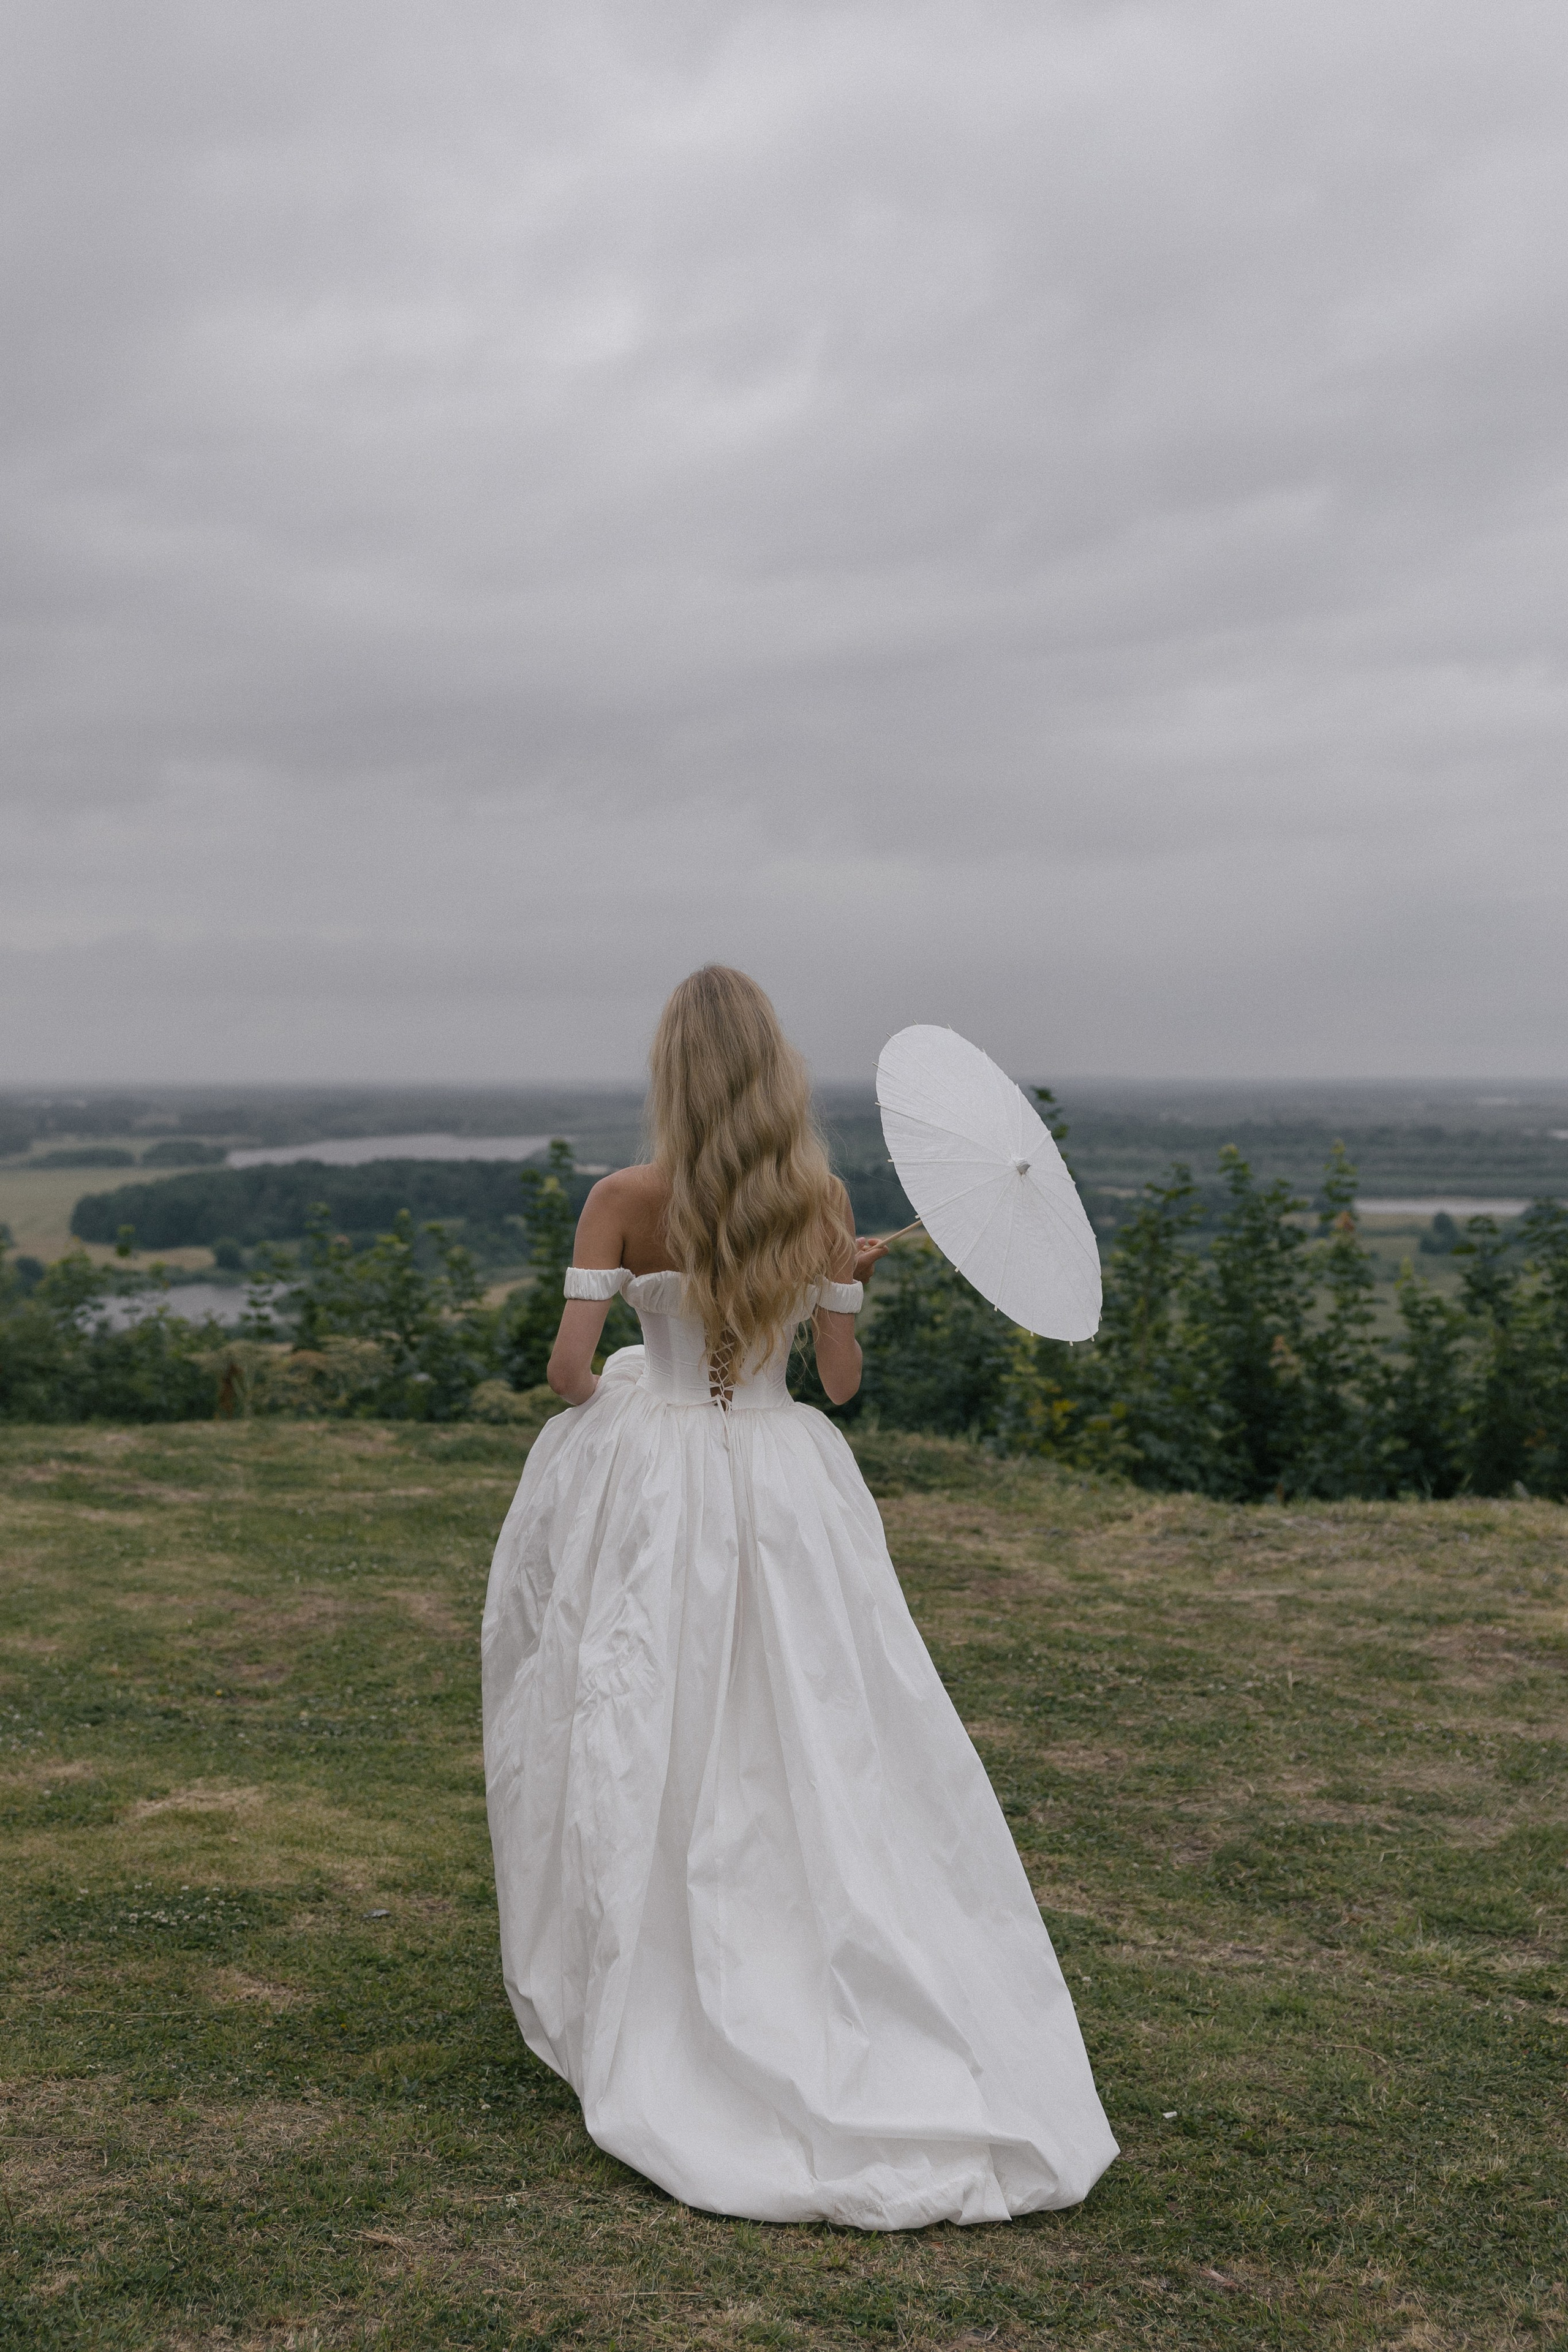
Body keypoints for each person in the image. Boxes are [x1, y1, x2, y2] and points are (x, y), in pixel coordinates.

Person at [481, 967, 1117, 2229]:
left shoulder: (621, 1200)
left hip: (656, 1474)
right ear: (774, 1072)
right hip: (782, 1478)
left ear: (672, 1071)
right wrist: (843, 1285)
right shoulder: (817, 1203)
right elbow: (839, 1387)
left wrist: (629, 1382)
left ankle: (654, 1941)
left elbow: (564, 1374)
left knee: (642, 1700)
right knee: (816, 1709)